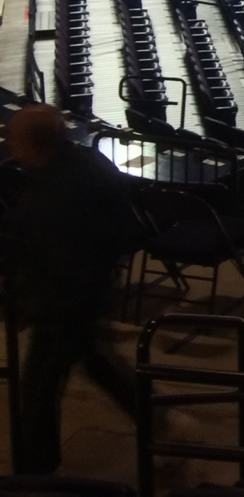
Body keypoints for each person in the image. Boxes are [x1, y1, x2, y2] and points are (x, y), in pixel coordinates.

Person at [9, 105, 142, 475]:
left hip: (65, 302)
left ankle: (36, 475)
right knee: (95, 361)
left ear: (31, 144)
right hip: (91, 290)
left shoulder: (56, 193)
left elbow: (54, 257)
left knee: (37, 391)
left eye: (12, 139)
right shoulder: (87, 161)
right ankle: (157, 421)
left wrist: (28, 302)